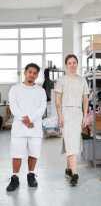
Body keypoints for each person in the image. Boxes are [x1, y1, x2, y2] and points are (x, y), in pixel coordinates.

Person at [6, 63, 47, 192]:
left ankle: (31, 175)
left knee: (34, 153)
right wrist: (25, 120)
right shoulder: (15, 89)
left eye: (35, 73)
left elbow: (42, 107)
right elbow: (13, 107)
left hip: (35, 128)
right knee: (16, 154)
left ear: (37, 75)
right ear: (25, 72)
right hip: (19, 128)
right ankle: (15, 178)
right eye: (30, 72)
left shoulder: (41, 91)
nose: (32, 75)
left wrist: (31, 119)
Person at [55, 54, 89, 186]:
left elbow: (85, 99)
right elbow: (57, 101)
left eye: (74, 62)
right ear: (66, 65)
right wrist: (60, 116)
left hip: (78, 113)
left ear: (77, 64)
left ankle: (69, 169)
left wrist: (85, 115)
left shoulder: (82, 80)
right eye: (70, 63)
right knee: (71, 142)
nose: (72, 65)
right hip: (66, 113)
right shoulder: (61, 80)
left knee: (72, 141)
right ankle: (75, 174)